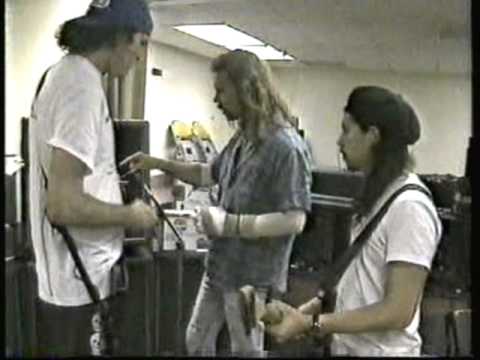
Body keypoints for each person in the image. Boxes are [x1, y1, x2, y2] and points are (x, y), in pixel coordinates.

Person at [123, 49, 312, 355]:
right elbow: (207, 173)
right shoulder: (244, 138)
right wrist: (156, 162)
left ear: (247, 88)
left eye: (222, 90)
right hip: (220, 268)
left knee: (245, 350)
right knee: (196, 342)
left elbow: (295, 219)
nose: (216, 99)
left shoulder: (285, 147)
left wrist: (231, 224)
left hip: (251, 279)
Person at [262, 86, 442, 357]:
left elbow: (398, 311)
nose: (339, 141)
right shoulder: (379, 196)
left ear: (372, 136)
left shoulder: (410, 207)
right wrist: (302, 314)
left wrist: (314, 323)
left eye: (346, 130)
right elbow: (359, 283)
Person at [28, 0, 158, 356]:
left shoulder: (65, 75)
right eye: (141, 43)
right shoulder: (80, 87)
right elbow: (63, 205)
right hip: (78, 285)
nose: (140, 57)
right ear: (120, 36)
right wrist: (131, 215)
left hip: (75, 282)